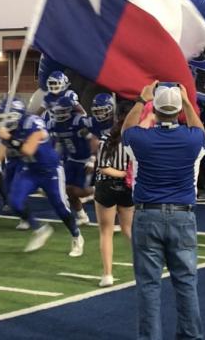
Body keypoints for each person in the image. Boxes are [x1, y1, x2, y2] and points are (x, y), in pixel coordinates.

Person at [123, 81, 205, 340]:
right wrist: (188, 102)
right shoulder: (192, 139)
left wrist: (140, 99)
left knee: (149, 286)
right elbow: (199, 129)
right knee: (185, 283)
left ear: (155, 110)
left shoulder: (141, 139)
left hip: (148, 215)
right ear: (179, 109)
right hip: (182, 215)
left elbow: (127, 129)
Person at [0, 98, 84, 255]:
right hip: (29, 169)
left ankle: (76, 236)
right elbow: (3, 144)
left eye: (4, 118)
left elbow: (28, 150)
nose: (1, 122)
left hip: (50, 170)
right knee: (14, 202)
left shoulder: (33, 123)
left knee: (60, 207)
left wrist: (8, 138)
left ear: (16, 116)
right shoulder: (9, 129)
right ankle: (40, 229)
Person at [94, 111, 133, 287]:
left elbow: (103, 167)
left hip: (106, 187)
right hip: (126, 187)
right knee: (129, 229)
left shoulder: (106, 138)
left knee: (106, 231)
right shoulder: (135, 139)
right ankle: (146, 263)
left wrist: (122, 174)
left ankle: (107, 274)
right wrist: (127, 175)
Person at [48, 96, 97, 226]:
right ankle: (82, 215)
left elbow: (93, 140)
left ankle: (98, 190)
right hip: (72, 159)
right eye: (57, 111)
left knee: (82, 190)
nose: (58, 114)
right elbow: (58, 144)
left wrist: (92, 159)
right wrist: (55, 159)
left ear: (69, 110)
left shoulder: (78, 121)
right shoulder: (55, 124)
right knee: (67, 189)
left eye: (61, 111)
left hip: (85, 160)